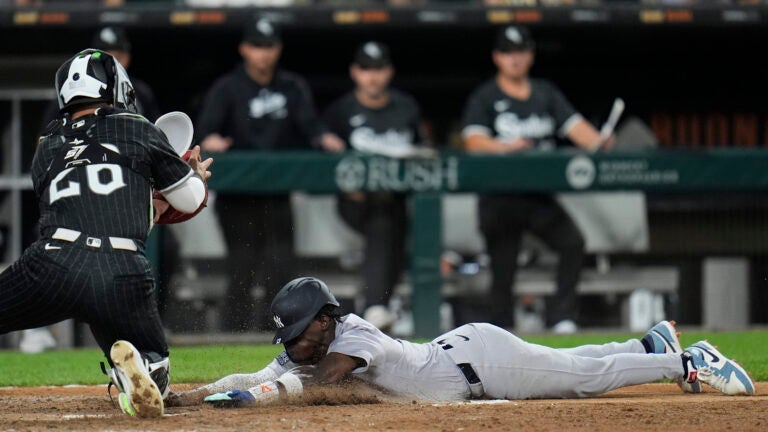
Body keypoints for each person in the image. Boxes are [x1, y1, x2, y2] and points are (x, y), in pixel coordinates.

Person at [0, 49, 213, 418]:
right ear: (119, 87)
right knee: (153, 362)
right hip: (121, 268)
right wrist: (189, 177)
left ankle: (127, 367)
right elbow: (190, 198)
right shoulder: (137, 126)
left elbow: (83, 209)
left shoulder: (46, 146)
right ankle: (138, 371)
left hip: (52, 263)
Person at [167, 276, 754, 407]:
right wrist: (188, 398)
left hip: (482, 364)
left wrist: (259, 399)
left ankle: (684, 362)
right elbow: (259, 374)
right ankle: (646, 346)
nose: (294, 347)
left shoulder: (350, 337)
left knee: (578, 379)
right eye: (288, 340)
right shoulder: (313, 343)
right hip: (465, 352)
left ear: (324, 318)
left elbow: (315, 385)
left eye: (300, 334)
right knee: (569, 360)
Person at [461, 25, 614, 334]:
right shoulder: (487, 96)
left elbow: (578, 130)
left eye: (520, 52)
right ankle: (501, 329)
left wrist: (599, 141)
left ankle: (562, 318)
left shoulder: (545, 93)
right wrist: (505, 147)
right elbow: (472, 140)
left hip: (537, 197)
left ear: (530, 55)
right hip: (499, 195)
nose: (514, 59)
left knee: (572, 242)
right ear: (497, 58)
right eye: (507, 53)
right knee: (503, 265)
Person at [196, 18, 343, 332]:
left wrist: (324, 139)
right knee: (242, 266)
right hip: (238, 194)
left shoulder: (292, 86)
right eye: (257, 46)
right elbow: (206, 131)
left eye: (269, 47)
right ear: (244, 49)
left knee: (281, 266)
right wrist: (211, 140)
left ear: (278, 49)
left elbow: (311, 128)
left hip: (277, 191)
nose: (263, 54)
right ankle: (233, 332)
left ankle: (281, 330)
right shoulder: (228, 87)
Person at [323, 41, 427, 329]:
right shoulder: (341, 110)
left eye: (378, 69)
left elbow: (423, 153)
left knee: (392, 216)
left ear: (389, 72)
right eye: (366, 69)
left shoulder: (405, 106)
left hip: (395, 198)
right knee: (381, 221)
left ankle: (382, 304)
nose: (373, 76)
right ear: (355, 72)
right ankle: (375, 306)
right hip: (354, 202)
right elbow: (324, 160)